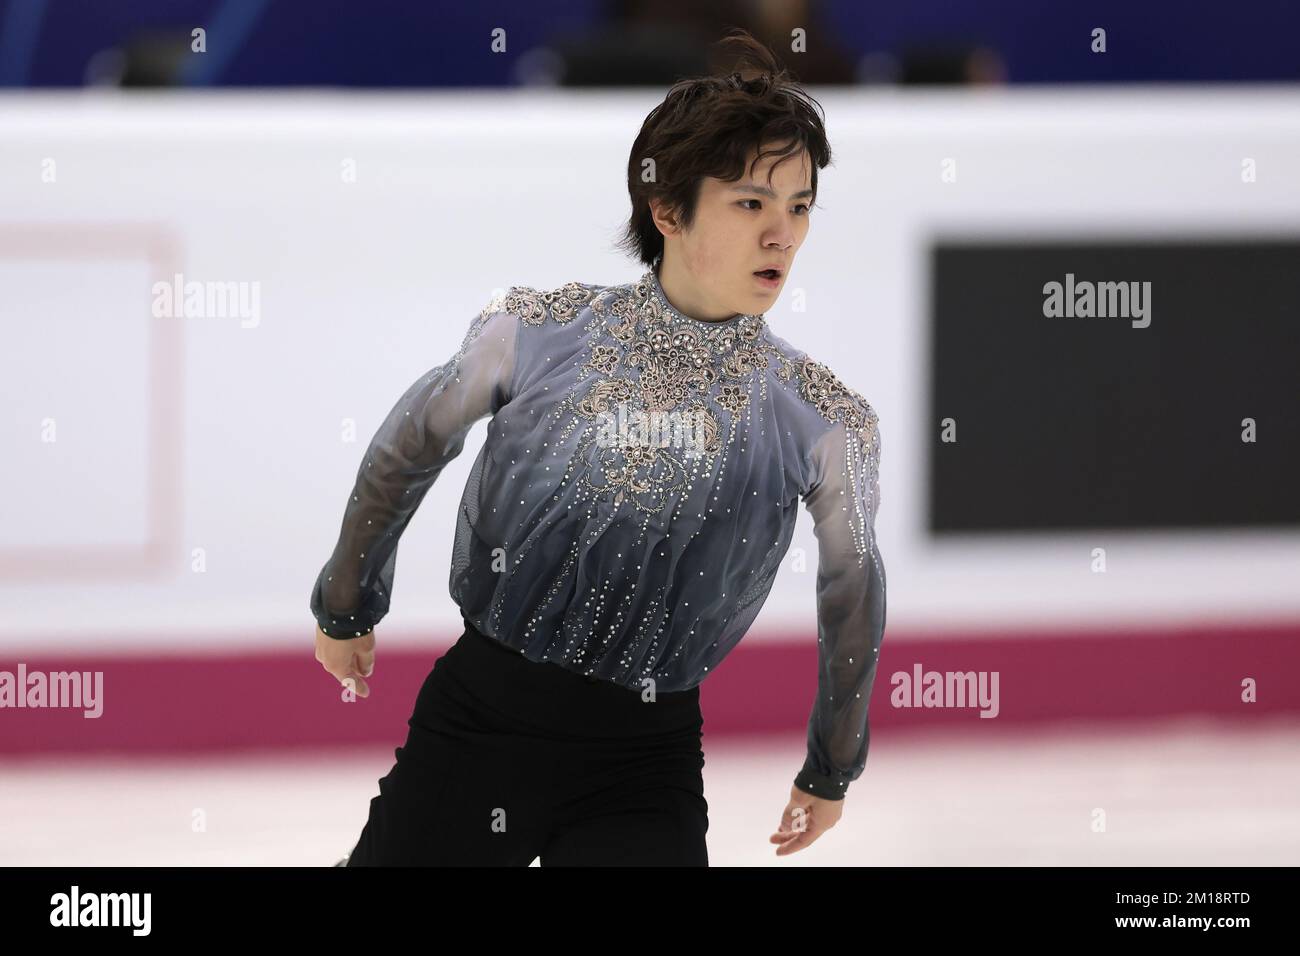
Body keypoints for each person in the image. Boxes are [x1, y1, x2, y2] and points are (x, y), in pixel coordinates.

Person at [309, 29, 885, 866]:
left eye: (800, 206)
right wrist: (347, 600)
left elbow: (853, 585)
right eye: (751, 203)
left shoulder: (822, 416)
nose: (783, 236)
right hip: (480, 728)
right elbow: (412, 442)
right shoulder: (534, 333)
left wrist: (831, 767)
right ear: (667, 211)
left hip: (644, 764)